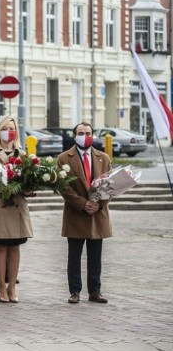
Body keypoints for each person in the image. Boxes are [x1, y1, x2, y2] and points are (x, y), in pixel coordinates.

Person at [58, 122, 112, 305]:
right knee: (74, 256)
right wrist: (83, 203)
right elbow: (64, 187)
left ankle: (95, 291)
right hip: (76, 213)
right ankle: (74, 291)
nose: (85, 136)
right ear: (75, 136)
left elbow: (111, 185)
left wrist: (99, 203)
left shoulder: (103, 158)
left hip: (98, 214)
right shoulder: (64, 158)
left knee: (95, 256)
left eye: (88, 133)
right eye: (81, 133)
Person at [0, 116, 33, 303]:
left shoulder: (23, 153)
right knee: (1, 246)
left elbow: (29, 180)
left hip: (18, 204)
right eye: (5, 128)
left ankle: (12, 286)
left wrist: (29, 186)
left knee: (15, 247)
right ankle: (1, 286)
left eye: (12, 128)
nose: (9, 132)